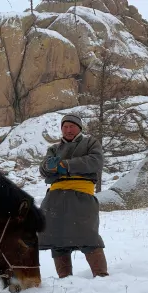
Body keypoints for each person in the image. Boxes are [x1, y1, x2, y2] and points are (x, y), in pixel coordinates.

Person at [38, 113, 109, 278]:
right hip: (54, 198)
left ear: (79, 128)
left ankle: (101, 276)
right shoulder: (54, 149)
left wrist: (66, 165)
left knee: (88, 235)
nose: (68, 130)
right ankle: (65, 279)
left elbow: (95, 162)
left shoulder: (90, 143)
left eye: (72, 126)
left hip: (81, 196)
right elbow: (43, 169)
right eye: (65, 127)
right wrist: (48, 167)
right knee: (56, 237)